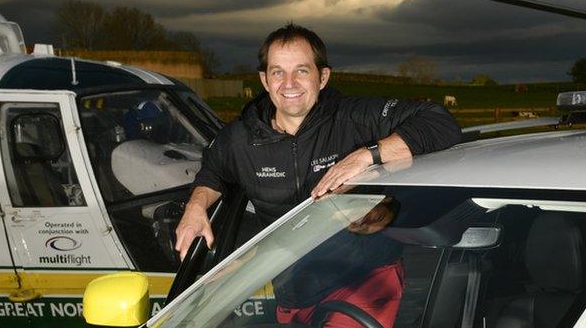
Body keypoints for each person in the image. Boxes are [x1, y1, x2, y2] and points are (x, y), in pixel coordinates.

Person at [174, 24, 461, 257]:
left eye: (301, 71)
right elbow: (213, 171)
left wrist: (367, 155)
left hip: (368, 278)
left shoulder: (355, 118)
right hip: (291, 283)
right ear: (264, 80)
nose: (289, 84)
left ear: (322, 77)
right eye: (278, 72)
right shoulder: (240, 138)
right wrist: (195, 207)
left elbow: (438, 120)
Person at [273, 197, 404, 328]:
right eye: (377, 217)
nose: (362, 222)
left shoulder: (377, 265)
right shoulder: (318, 220)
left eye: (359, 225)